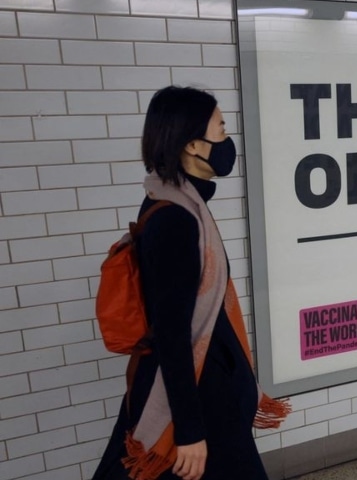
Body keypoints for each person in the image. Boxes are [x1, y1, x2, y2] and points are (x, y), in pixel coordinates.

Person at [93, 85, 289, 480]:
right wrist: (189, 431)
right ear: (194, 146)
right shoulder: (176, 220)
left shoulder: (180, 203)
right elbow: (172, 334)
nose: (227, 140)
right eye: (221, 129)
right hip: (202, 398)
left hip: (210, 391)